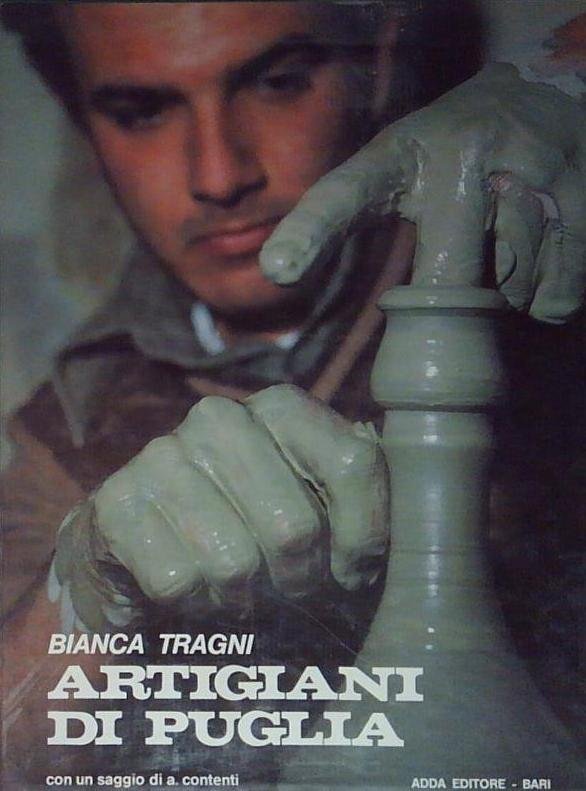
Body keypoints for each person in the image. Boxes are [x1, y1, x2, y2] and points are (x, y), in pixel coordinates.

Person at [1, 1, 585, 786]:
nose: (219, 175)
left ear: (378, 59)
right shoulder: (66, 425)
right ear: (81, 118)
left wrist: (569, 71)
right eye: (140, 111)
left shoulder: (551, 319)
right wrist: (82, 598)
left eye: (277, 82)